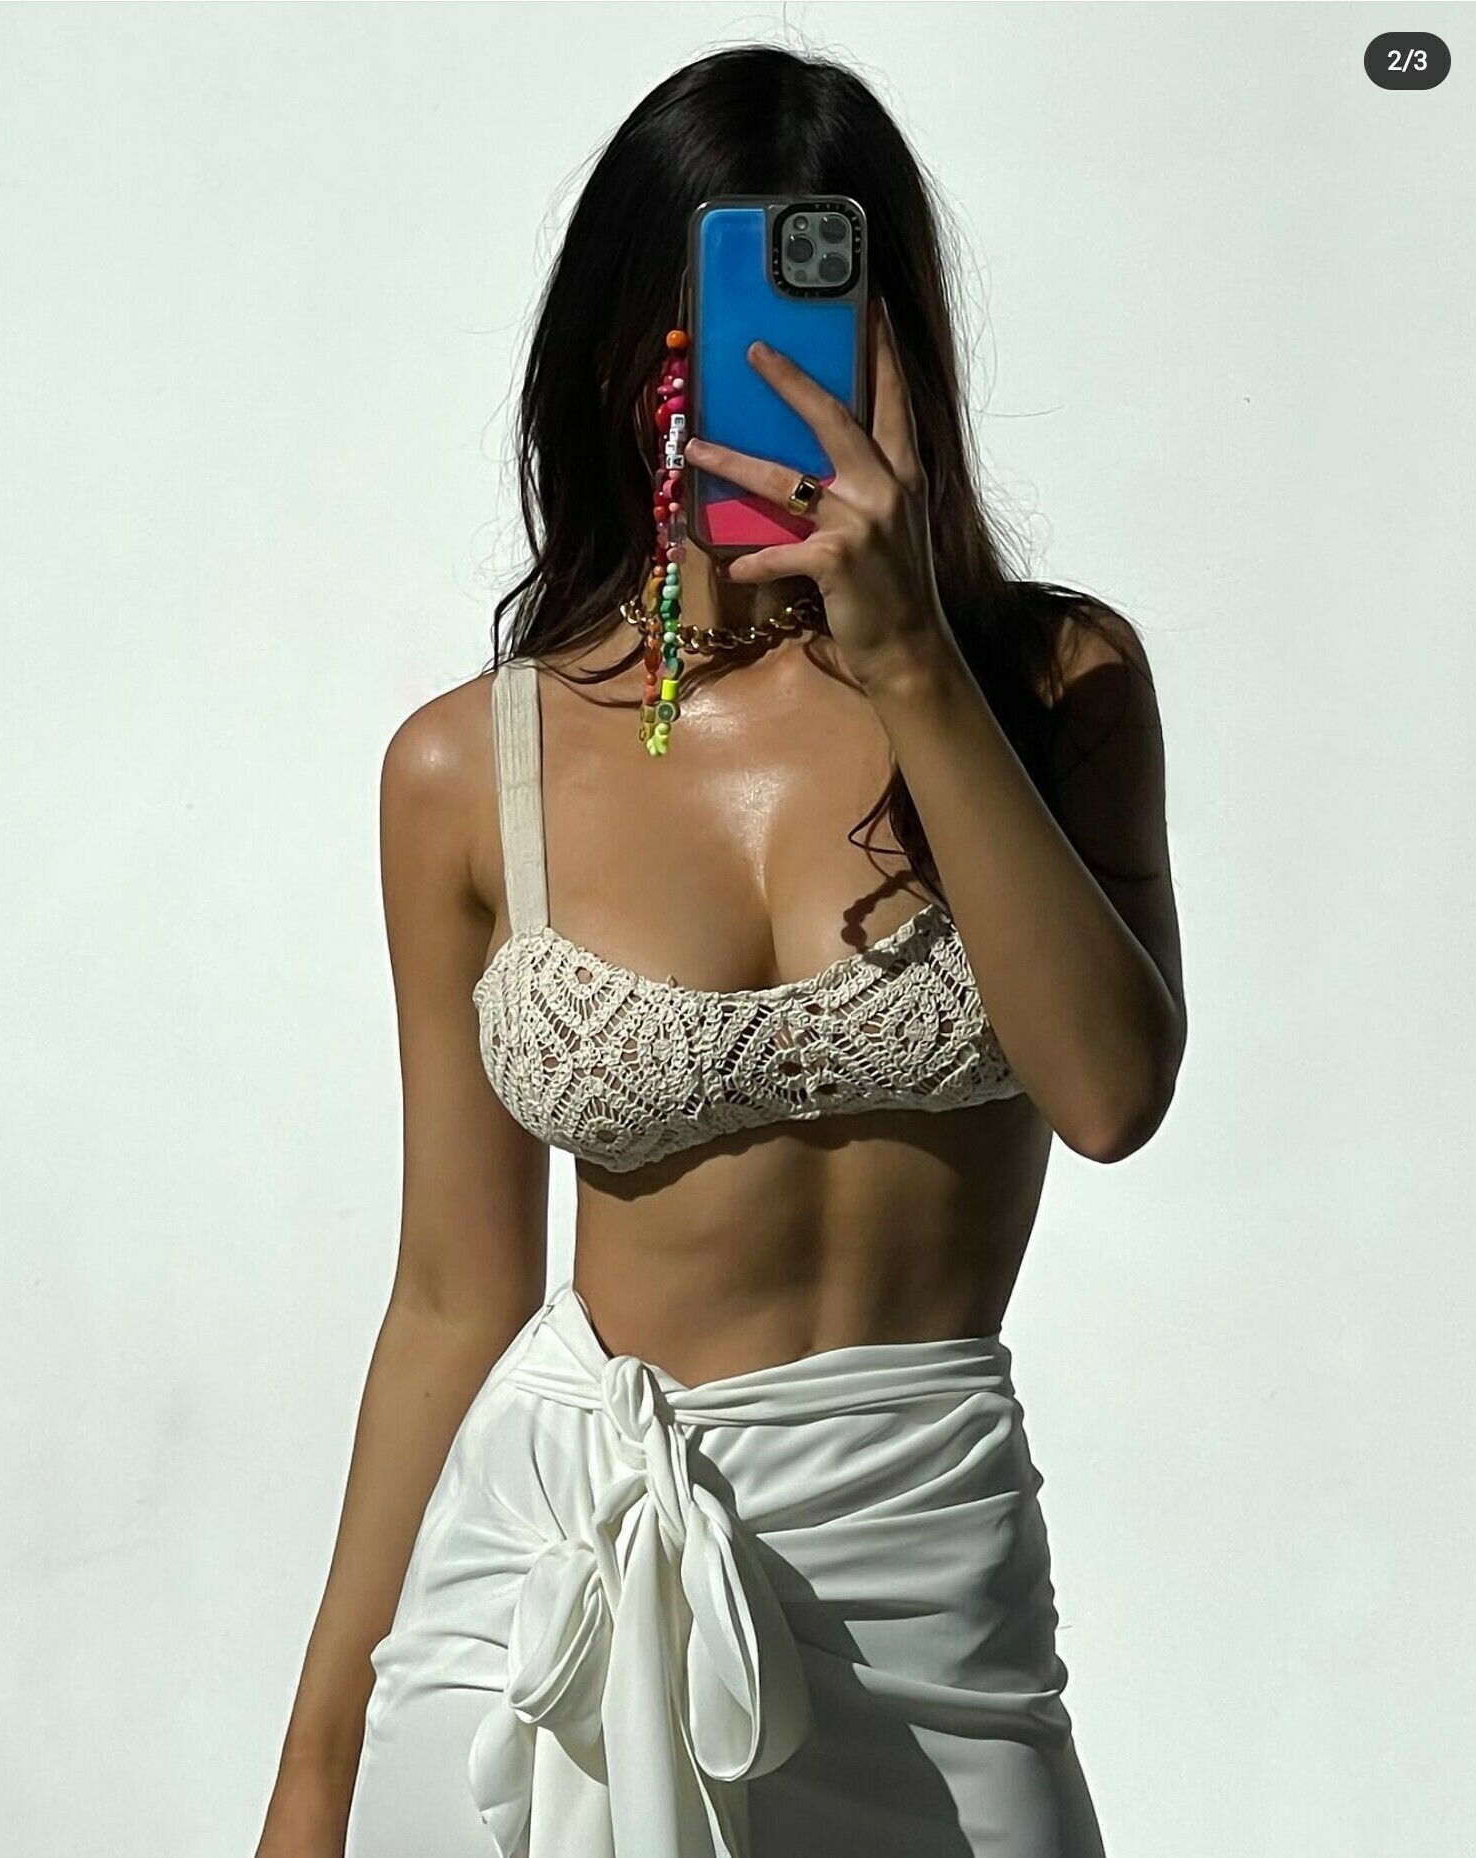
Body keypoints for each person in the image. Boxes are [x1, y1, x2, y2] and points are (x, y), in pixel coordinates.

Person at [256, 43, 1184, 1858]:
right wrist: (313, 1768)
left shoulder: (1054, 684)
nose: (742, 387)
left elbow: (1108, 1093)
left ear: (896, 349)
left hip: (929, 1596)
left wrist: (906, 653)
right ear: (614, 358)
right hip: (546, 1589)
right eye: (687, 337)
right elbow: (450, 1293)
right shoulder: (467, 767)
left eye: (810, 332)